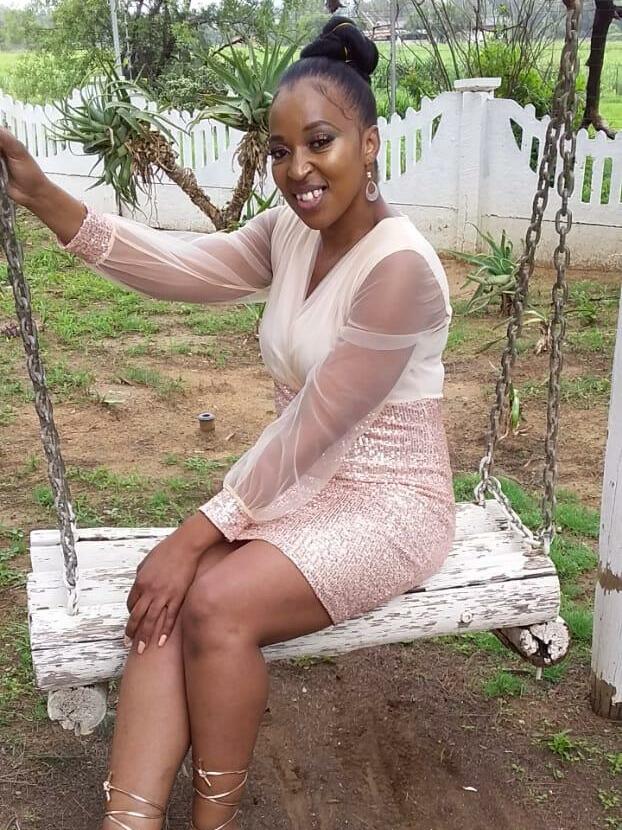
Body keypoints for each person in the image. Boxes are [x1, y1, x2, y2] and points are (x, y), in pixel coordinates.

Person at [0, 16, 455, 830]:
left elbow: (318, 422)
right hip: (298, 488)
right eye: (280, 151)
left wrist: (194, 535)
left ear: (370, 144)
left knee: (212, 601)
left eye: (320, 142)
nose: (296, 169)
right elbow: (179, 267)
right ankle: (129, 822)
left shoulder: (401, 271)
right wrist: (42, 197)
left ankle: (214, 821)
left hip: (390, 502)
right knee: (164, 602)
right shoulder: (289, 234)